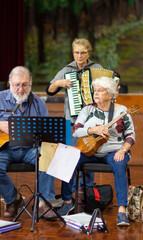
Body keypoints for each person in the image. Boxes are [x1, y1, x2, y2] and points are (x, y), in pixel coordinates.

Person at [53, 76, 135, 226]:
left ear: (110, 94)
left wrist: (123, 150)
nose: (96, 93)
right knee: (69, 158)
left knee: (119, 164)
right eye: (95, 90)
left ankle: (122, 210)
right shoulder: (88, 109)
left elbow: (130, 136)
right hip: (90, 151)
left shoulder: (123, 111)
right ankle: (66, 201)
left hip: (113, 151)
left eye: (101, 91)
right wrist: (92, 130)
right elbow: (76, 131)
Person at [0, 66, 54, 218]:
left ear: (30, 84)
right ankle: (13, 199)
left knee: (48, 159)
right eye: (16, 85)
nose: (20, 89)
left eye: (24, 85)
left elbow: (48, 133)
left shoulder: (39, 103)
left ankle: (43, 203)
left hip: (30, 149)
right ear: (9, 83)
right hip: (4, 149)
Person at [44, 38, 102, 212]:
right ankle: (68, 199)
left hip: (92, 121)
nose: (79, 56)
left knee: (89, 152)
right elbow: (49, 90)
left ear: (88, 53)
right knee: (68, 157)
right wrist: (59, 83)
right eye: (76, 52)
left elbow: (109, 88)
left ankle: (86, 193)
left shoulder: (96, 69)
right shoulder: (67, 70)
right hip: (72, 121)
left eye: (83, 52)